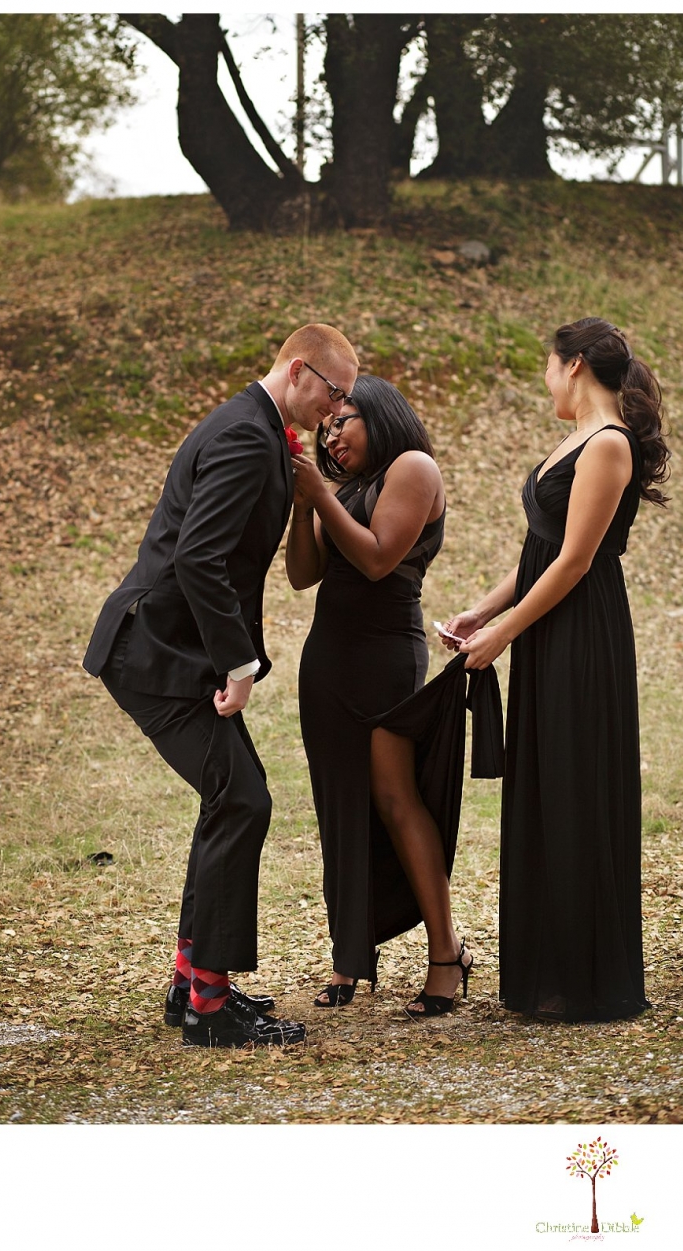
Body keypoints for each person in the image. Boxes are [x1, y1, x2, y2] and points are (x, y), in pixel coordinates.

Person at [83, 324, 359, 1048]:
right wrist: (238, 665)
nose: (337, 411)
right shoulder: (244, 435)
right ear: (299, 373)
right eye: (335, 394)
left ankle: (192, 983)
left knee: (232, 796)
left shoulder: (257, 427)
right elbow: (202, 559)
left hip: (173, 651)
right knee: (242, 798)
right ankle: (209, 1002)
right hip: (155, 653)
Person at [442, 317, 670, 1022]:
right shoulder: (574, 440)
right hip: (546, 625)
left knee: (575, 781)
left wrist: (507, 631)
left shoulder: (607, 446)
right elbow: (541, 550)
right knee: (544, 781)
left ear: (573, 365)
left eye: (547, 365)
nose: (544, 379)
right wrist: (482, 613)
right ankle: (547, 968)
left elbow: (576, 561)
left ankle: (584, 977)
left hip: (581, 632)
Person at [287, 376, 502, 1018]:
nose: (331, 433)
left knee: (392, 796)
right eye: (325, 427)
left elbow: (380, 559)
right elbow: (303, 574)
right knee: (340, 804)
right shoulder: (341, 489)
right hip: (329, 657)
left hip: (384, 653)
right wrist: (306, 503)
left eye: (342, 420)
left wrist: (319, 494)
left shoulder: (412, 467)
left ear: (379, 417)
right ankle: (350, 956)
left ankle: (447, 952)